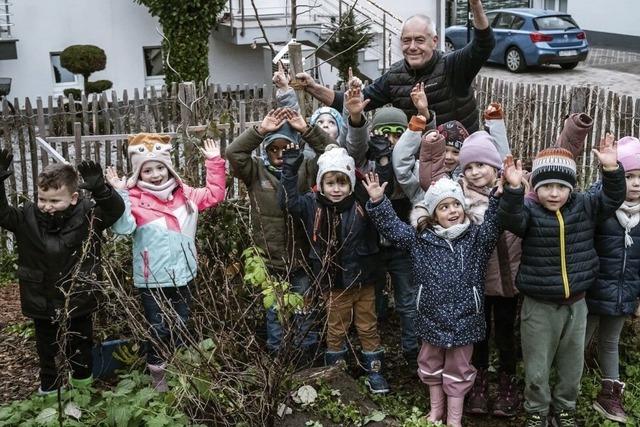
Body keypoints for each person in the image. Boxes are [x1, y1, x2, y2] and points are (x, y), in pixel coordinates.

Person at [498, 144, 625, 427]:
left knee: (571, 367)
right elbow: (510, 218)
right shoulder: (530, 211)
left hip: (577, 304)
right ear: (536, 188)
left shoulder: (586, 205)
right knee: (537, 367)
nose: (554, 193)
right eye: (546, 186)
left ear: (571, 187)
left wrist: (611, 169)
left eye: (561, 186)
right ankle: (536, 411)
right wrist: (515, 189)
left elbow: (614, 197)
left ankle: (565, 409)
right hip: (539, 307)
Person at [364, 174, 501, 427]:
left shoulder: (476, 239)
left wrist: (500, 197)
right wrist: (378, 201)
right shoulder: (420, 239)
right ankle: (436, 410)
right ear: (433, 214)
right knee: (430, 363)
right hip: (431, 316)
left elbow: (494, 224)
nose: (452, 211)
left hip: (466, 318)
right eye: (444, 206)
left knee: (460, 369)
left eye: (456, 204)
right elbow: (393, 229)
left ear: (464, 207)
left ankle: (455, 419)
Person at [108, 133, 226, 391]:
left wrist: (214, 162)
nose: (155, 174)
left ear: (168, 167)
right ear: (139, 173)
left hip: (185, 275)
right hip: (152, 280)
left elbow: (215, 195)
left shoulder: (185, 195)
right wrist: (121, 195)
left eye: (159, 167)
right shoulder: (135, 199)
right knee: (159, 329)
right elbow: (123, 228)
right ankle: (159, 378)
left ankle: (180, 371)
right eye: (147, 170)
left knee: (182, 325)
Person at [0, 151, 125, 394]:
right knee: (47, 351)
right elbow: (2, 214)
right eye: (42, 199)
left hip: (79, 298)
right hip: (41, 299)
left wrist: (102, 190)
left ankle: (82, 392)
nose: (47, 206)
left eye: (55, 201)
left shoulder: (88, 214)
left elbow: (114, 211)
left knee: (80, 349)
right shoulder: (26, 216)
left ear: (74, 197)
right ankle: (50, 393)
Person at [279, 144, 389, 394]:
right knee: (336, 327)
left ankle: (374, 369)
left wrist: (381, 161)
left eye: (342, 182)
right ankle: (336, 372)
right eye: (330, 183)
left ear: (351, 184)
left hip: (363, 280)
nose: (336, 189)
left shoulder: (361, 203)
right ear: (321, 184)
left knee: (367, 325)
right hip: (334, 281)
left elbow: (382, 193)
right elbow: (287, 203)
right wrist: (289, 169)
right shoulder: (311, 204)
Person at [226, 107, 332, 359]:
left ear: (296, 147)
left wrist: (306, 129)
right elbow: (233, 152)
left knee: (304, 310)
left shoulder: (306, 168)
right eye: (274, 148)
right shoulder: (255, 172)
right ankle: (279, 358)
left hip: (302, 257)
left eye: (286, 148)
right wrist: (260, 131)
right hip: (270, 259)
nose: (280, 153)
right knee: (274, 312)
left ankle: (307, 358)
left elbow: (331, 151)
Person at [344, 81, 437, 367]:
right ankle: (372, 351)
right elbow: (355, 146)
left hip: (403, 247)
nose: (392, 139)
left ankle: (412, 350)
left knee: (408, 299)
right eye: (385, 133)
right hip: (370, 243)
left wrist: (424, 113)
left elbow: (431, 144)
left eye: (398, 133)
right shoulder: (366, 162)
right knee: (371, 300)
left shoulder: (411, 166)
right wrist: (358, 119)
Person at [295, 0, 495, 132]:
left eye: (419, 40)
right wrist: (312, 87)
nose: (412, 47)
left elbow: (483, 44)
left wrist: (474, 3)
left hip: (460, 159)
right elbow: (350, 102)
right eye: (406, 41)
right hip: (418, 162)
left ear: (434, 41)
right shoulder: (395, 76)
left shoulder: (453, 65)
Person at [454, 130, 521, 417]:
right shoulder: (459, 198)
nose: (474, 172)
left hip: (509, 282)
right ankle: (478, 383)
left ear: (495, 166)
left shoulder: (516, 191)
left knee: (507, 334)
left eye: (480, 164)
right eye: (468, 167)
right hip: (477, 283)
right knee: (478, 335)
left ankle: (508, 384)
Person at [585, 135, 640, 424]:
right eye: (629, 176)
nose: (636, 184)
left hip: (623, 292)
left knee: (610, 342)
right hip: (593, 289)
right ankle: (565, 390)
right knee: (578, 340)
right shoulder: (601, 207)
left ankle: (609, 394)